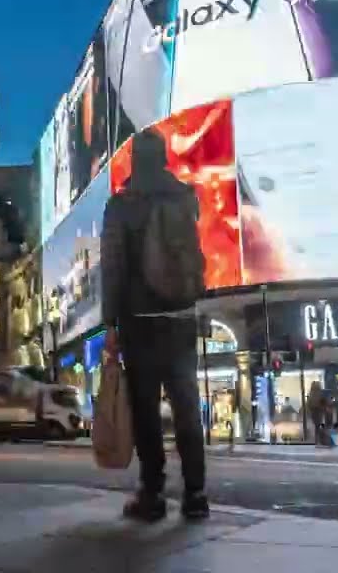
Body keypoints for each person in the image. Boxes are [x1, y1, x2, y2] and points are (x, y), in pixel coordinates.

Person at [100, 127, 209, 523]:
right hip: (182, 316)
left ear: (134, 161)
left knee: (146, 411)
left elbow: (113, 268)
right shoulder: (185, 197)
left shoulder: (122, 204)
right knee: (186, 407)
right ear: (164, 158)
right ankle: (196, 494)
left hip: (140, 319)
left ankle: (153, 493)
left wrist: (110, 324)